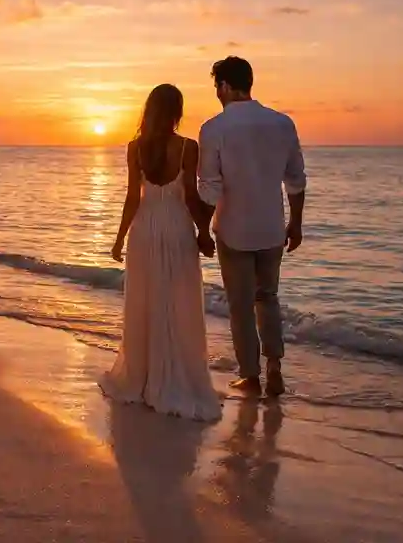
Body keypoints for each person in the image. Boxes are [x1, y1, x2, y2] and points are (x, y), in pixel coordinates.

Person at [101, 84, 222, 422]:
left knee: (145, 304)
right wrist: (203, 233)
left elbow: (132, 198)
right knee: (177, 302)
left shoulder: (135, 148)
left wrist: (118, 239)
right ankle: (176, 378)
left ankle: (142, 379)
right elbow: (191, 196)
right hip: (176, 230)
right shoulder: (187, 148)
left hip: (143, 232)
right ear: (176, 112)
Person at [197, 57, 307, 397]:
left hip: (234, 229)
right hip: (272, 228)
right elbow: (296, 180)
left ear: (226, 86)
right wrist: (296, 223)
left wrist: (201, 228)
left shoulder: (214, 128)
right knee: (268, 297)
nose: (216, 92)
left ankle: (251, 375)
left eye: (217, 85)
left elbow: (210, 188)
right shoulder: (282, 123)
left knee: (240, 305)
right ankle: (274, 367)